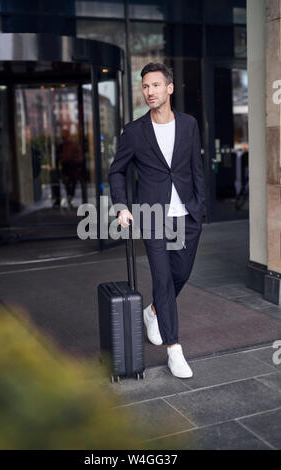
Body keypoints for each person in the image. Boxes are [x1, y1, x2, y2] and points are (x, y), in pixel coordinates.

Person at [108, 62, 206, 379]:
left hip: (187, 216)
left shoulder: (189, 125)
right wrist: (122, 206)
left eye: (155, 85)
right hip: (153, 217)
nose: (149, 91)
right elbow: (116, 171)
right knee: (163, 280)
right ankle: (174, 350)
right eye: (145, 86)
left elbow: (195, 169)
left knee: (181, 274)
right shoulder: (134, 132)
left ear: (169, 88)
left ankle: (152, 312)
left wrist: (200, 206)